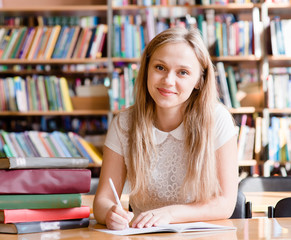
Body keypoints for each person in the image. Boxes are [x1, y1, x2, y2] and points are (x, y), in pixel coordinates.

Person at [93, 26, 238, 230]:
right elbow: (102, 201)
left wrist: (170, 213)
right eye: (160, 67)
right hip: (145, 234)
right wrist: (110, 213)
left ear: (199, 81)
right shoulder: (124, 123)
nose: (168, 81)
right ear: (146, 70)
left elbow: (225, 204)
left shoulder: (217, 119)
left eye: (183, 72)